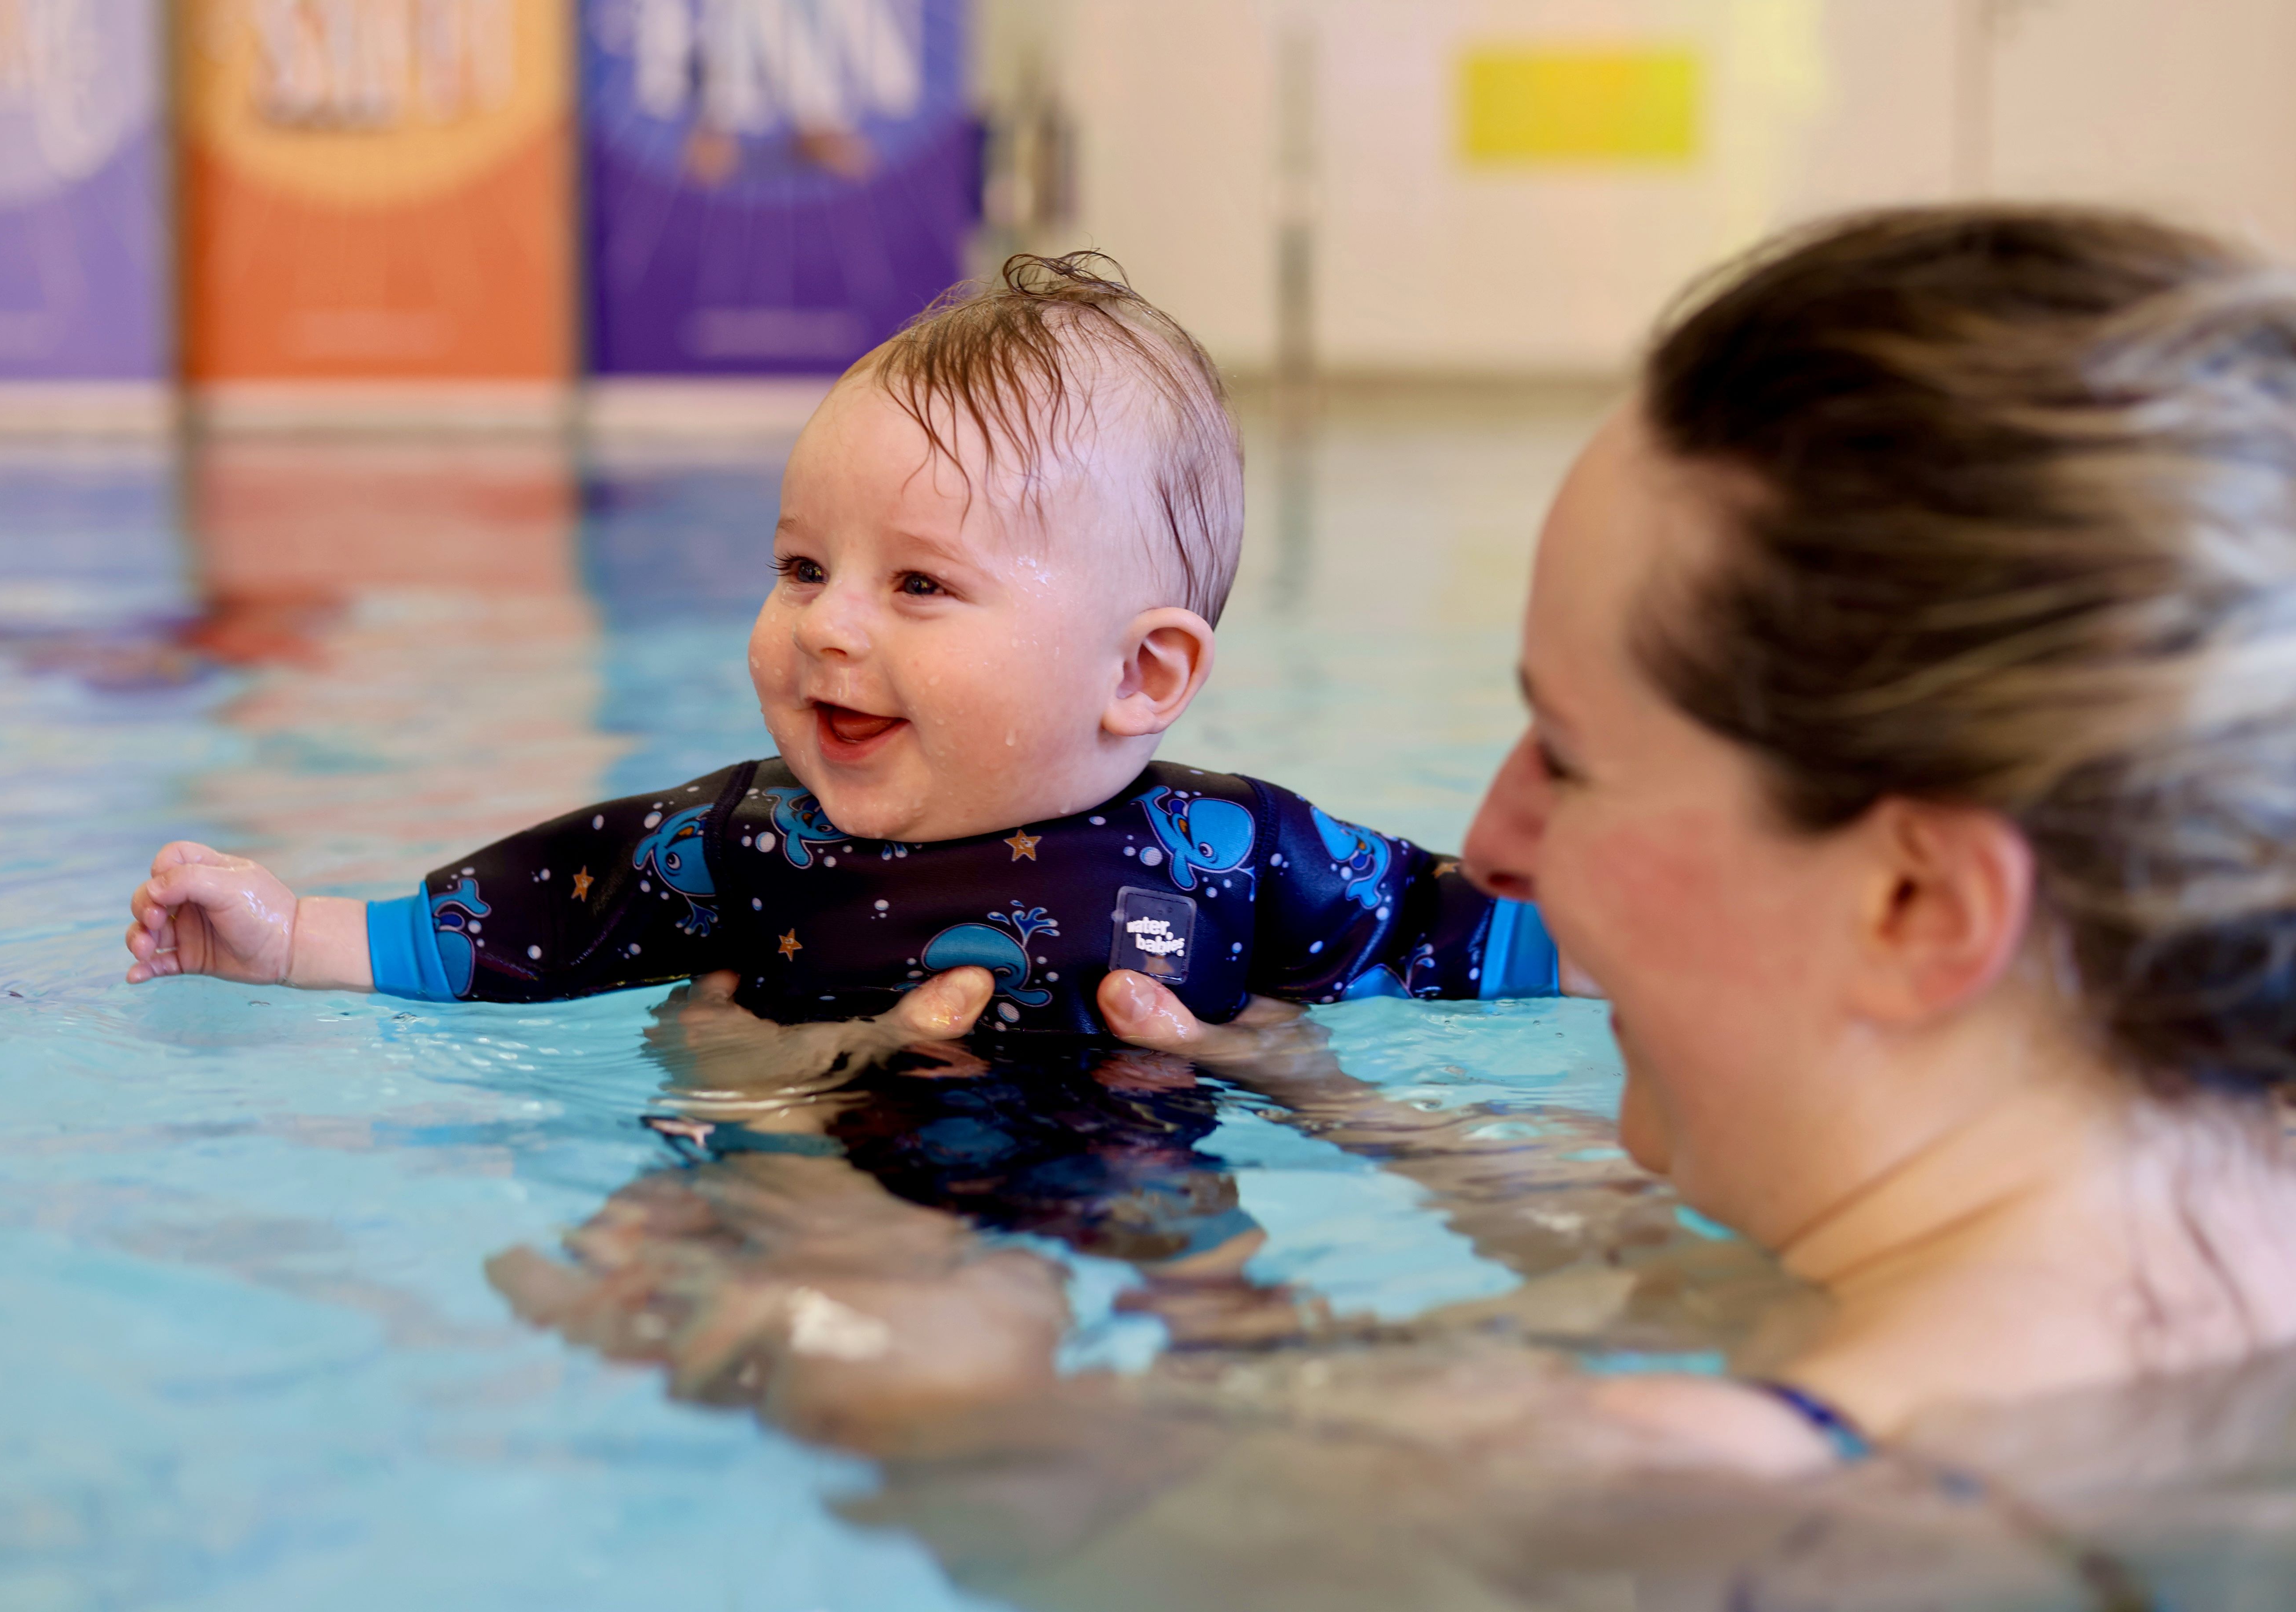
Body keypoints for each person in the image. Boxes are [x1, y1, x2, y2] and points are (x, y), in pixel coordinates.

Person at [607, 205, 2296, 1482]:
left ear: (1917, 903)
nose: (1489, 848)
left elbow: (993, 1467)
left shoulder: (1698, 1511)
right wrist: (1327, 1102)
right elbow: (1669, 1269)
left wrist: (796, 1171)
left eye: (1572, 757)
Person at [121, 254, 1560, 1035]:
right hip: (824, 1179)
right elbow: (530, 919)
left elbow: (1466, 934)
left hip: (1135, 1207)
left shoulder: (1234, 856)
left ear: (1142, 675)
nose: (827, 624)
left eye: (919, 585)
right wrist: (294, 936)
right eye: (802, 567)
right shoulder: (745, 843)